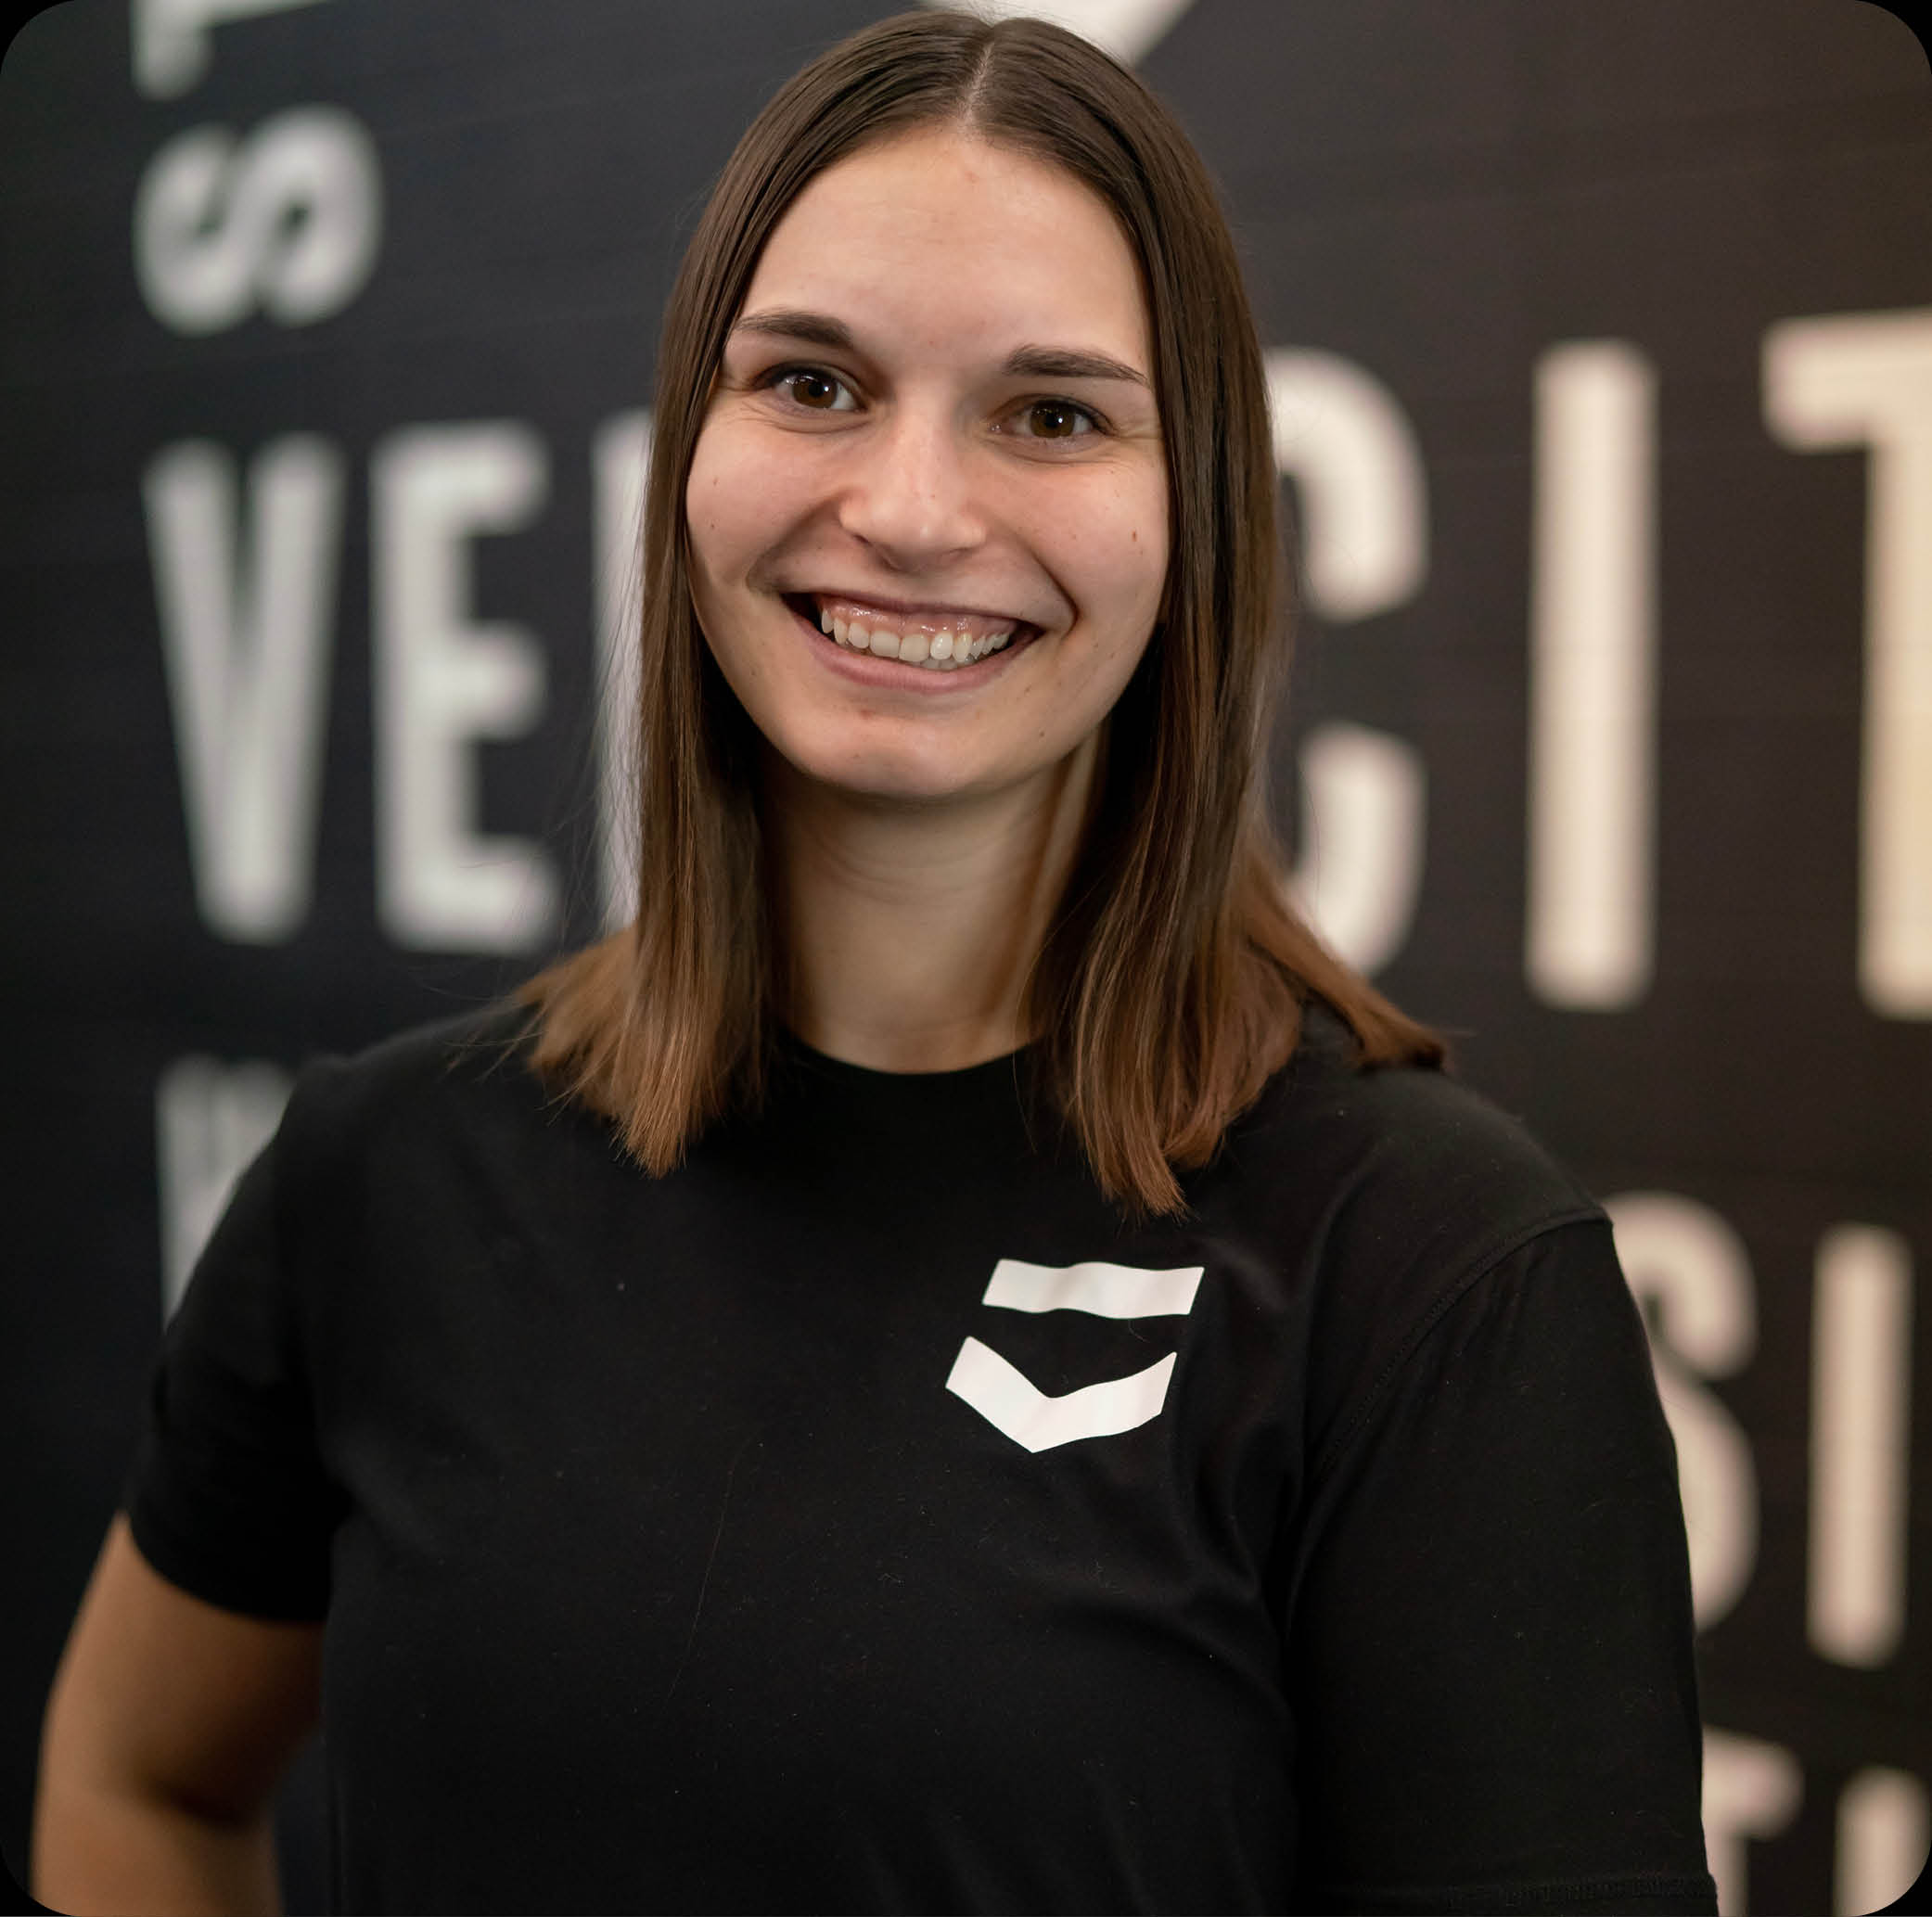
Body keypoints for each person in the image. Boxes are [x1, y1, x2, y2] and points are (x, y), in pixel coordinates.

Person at [32, 11, 1717, 1914]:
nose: (912, 512)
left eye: (1053, 411)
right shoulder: (381, 1172)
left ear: (1200, 517)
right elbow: (137, 1781)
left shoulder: (1428, 1277)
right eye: (814, 383)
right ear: (694, 441)